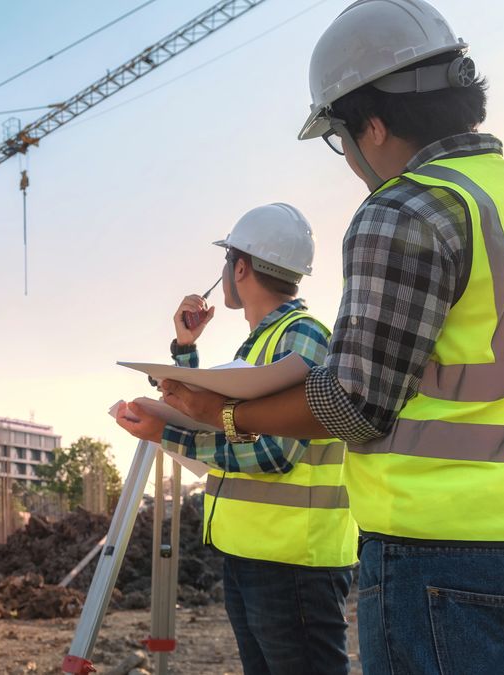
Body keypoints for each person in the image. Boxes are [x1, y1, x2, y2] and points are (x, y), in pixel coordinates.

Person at [156, 1, 504, 672]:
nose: (350, 159)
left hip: (452, 562)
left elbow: (355, 403)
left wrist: (228, 414)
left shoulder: (404, 207)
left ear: (374, 125)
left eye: (340, 138)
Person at [116, 204, 357, 675]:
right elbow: (221, 423)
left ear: (240, 267)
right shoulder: (263, 344)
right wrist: (185, 350)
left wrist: (166, 433)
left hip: (294, 562)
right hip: (252, 555)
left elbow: (274, 451)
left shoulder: (302, 337)